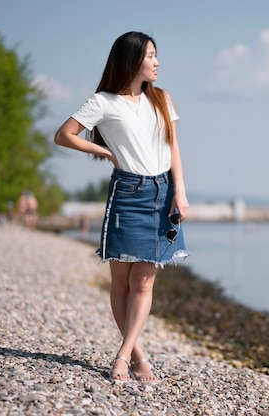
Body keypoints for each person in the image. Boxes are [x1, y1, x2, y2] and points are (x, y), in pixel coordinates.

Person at [54, 31, 189, 384]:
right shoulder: (102, 102)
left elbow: (173, 148)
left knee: (143, 282)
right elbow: (63, 134)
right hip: (127, 193)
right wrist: (106, 152)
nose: (157, 62)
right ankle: (138, 355)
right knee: (121, 283)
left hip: (162, 194)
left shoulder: (161, 98)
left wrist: (181, 192)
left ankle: (123, 355)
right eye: (150, 55)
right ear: (131, 60)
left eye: (157, 55)